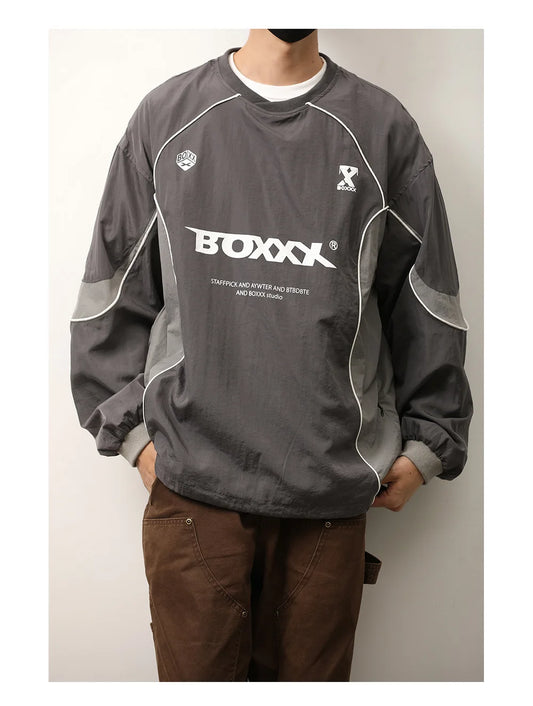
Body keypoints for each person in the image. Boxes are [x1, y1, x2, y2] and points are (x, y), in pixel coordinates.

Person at [69, 29, 473, 681]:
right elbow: (110, 291)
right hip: (192, 490)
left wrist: (428, 446)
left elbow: (427, 299)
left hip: (329, 492)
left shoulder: (382, 129)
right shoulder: (168, 116)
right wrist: (133, 436)